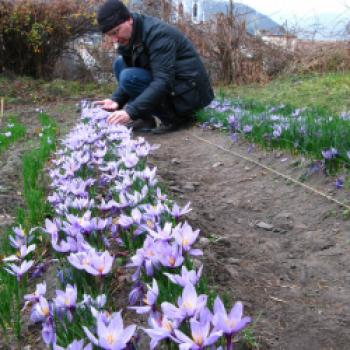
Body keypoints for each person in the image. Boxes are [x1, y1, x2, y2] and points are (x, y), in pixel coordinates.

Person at [95, 0, 214, 134]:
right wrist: (116, 100)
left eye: (116, 32)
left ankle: (176, 119)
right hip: (175, 86)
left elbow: (163, 80)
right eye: (110, 35)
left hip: (189, 95)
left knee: (128, 76)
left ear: (129, 19)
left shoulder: (158, 35)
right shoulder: (130, 36)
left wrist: (130, 111)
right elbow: (132, 74)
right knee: (119, 64)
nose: (115, 39)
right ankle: (144, 119)